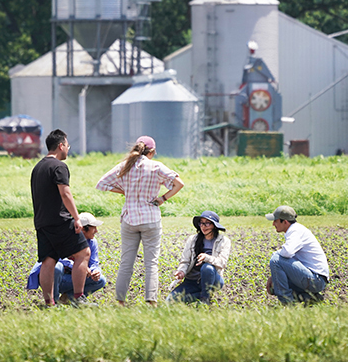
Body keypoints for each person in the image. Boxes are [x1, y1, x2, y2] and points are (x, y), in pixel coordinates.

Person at [96, 135, 184, 305]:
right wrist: (163, 198)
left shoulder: (125, 166)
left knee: (126, 263)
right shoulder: (156, 166)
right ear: (152, 152)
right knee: (151, 263)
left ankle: (120, 302)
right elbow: (179, 183)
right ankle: (151, 302)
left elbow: (101, 184)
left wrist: (124, 192)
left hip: (129, 219)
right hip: (151, 218)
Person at [30, 129, 91, 307]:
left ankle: (49, 303)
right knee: (83, 253)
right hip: (60, 220)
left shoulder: (38, 167)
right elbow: (65, 193)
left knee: (48, 260)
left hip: (42, 222)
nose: (68, 149)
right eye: (67, 146)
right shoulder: (59, 166)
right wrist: (76, 218)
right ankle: (78, 298)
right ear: (61, 145)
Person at [26, 213, 107, 304]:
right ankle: (53, 302)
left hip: (73, 279)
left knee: (100, 280)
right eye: (94, 227)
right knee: (57, 267)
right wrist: (79, 266)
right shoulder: (65, 239)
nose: (96, 231)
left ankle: (68, 298)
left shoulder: (92, 242)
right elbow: (56, 260)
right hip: (55, 278)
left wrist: (95, 271)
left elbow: (94, 263)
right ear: (83, 228)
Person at [264, 205, 329, 305]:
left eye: (275, 221)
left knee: (276, 260)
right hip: (314, 278)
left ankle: (288, 303)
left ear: (285, 222)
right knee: (275, 285)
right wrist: (274, 276)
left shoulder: (295, 231)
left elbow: (286, 253)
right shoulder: (296, 230)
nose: (273, 224)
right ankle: (309, 297)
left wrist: (275, 254)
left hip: (316, 279)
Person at [168, 210, 231, 304]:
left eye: (207, 223)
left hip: (213, 280)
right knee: (170, 301)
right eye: (201, 223)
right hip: (193, 280)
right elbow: (185, 261)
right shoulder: (193, 240)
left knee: (207, 267)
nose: (203, 226)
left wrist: (207, 258)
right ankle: (202, 295)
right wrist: (181, 271)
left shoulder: (224, 241)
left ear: (214, 225)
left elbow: (222, 262)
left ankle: (205, 299)